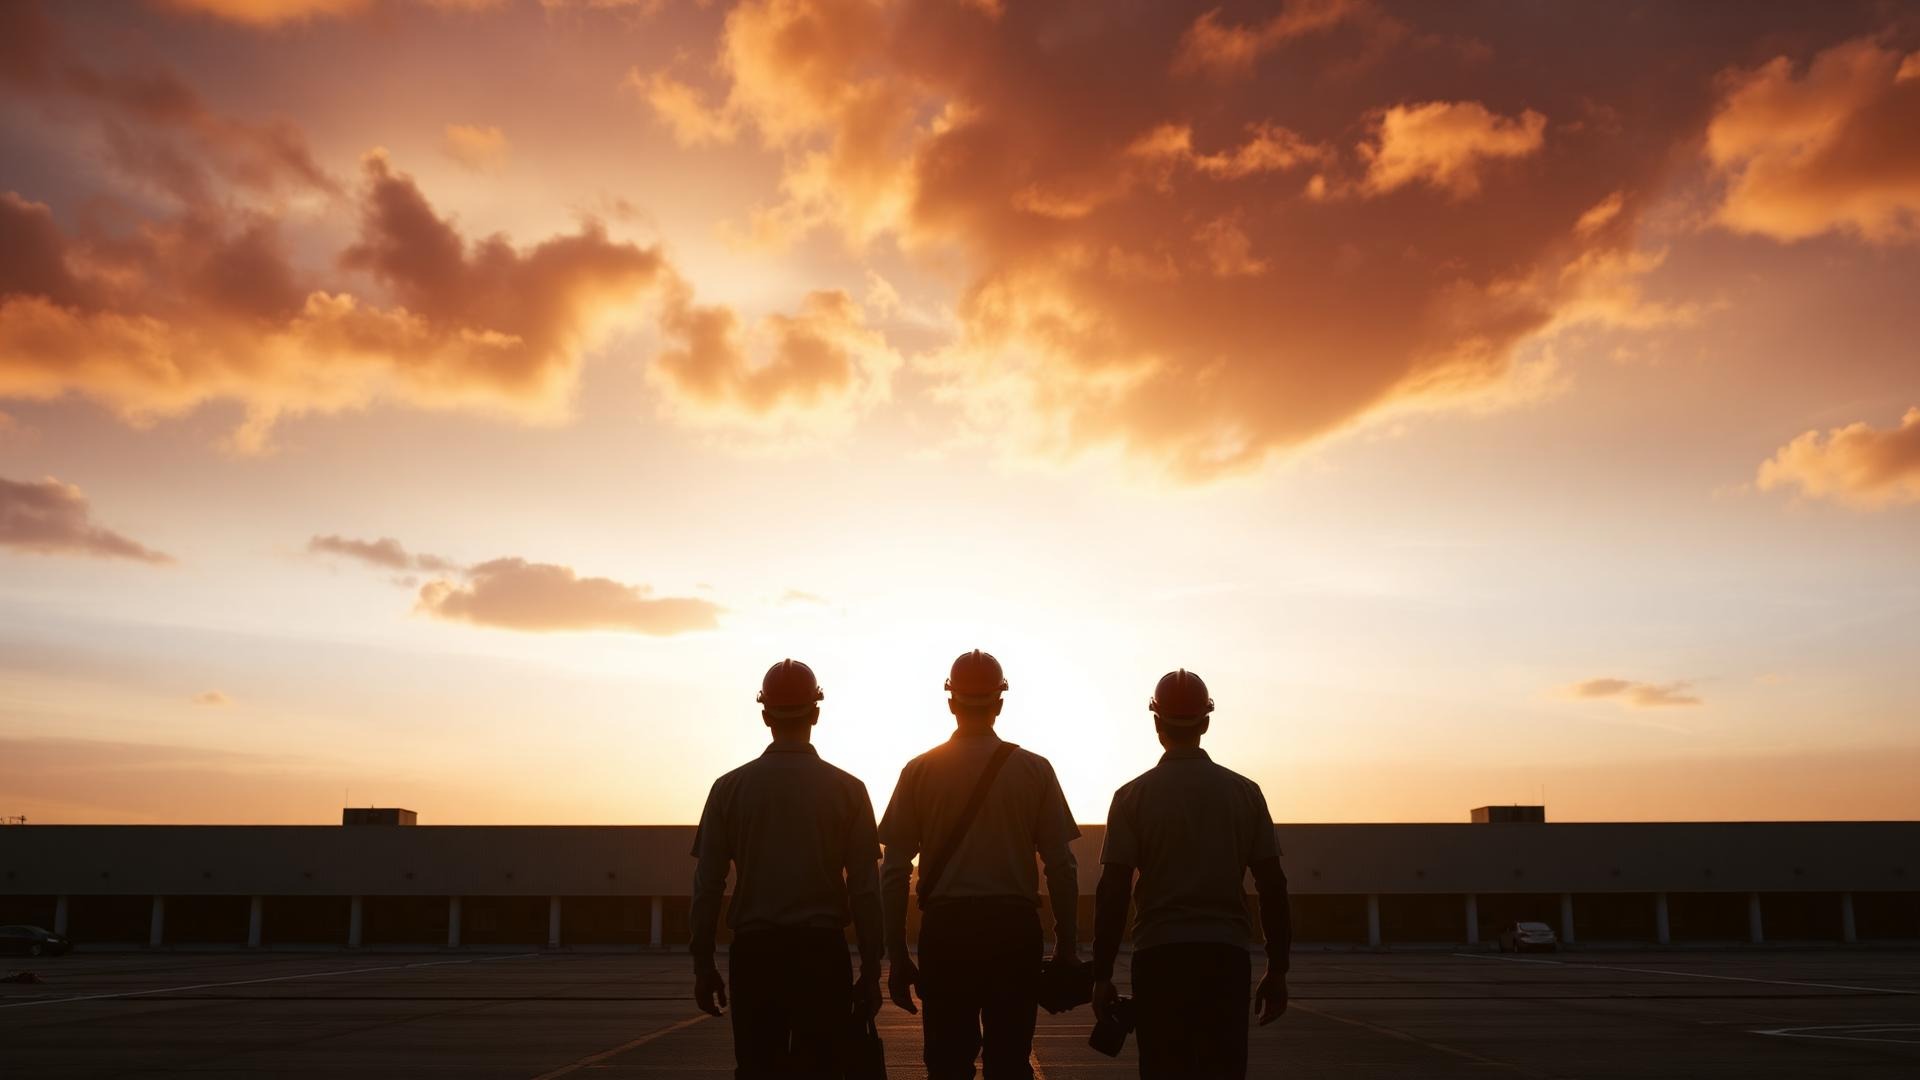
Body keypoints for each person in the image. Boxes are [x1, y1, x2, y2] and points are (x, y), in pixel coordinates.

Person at [879, 649, 1081, 1080]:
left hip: (947, 932)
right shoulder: (1035, 770)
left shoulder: (919, 771)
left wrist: (896, 955)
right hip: (1013, 930)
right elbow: (1061, 866)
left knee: (947, 1063)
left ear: (950, 702)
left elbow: (893, 871)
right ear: (1000, 703)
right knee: (1009, 1061)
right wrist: (1066, 946)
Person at [690, 659, 885, 1079]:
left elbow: (707, 886)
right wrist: (871, 970)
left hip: (756, 956)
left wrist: (703, 964)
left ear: (765, 716)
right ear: (816, 713)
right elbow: (866, 890)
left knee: (759, 1068)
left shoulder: (728, 789)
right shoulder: (848, 790)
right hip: (821, 956)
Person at [1091, 669, 1291, 1080]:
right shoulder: (1245, 793)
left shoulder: (1132, 797)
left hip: (1159, 958)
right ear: (1205, 723)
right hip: (1225, 957)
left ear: (1156, 723)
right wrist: (1278, 969)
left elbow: (1113, 890)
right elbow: (1272, 886)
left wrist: (1102, 973)